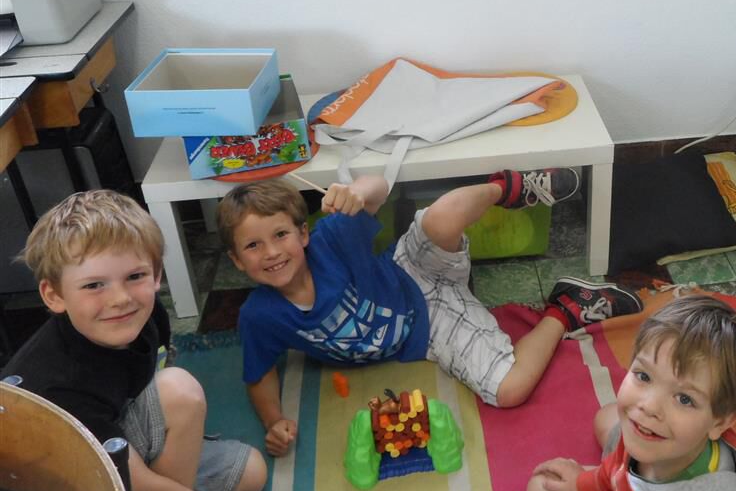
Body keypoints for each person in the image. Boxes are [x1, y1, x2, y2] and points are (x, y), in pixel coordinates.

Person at [218, 169, 642, 458]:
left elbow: (379, 186)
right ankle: (567, 308)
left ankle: (509, 187)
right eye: (253, 246)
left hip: (409, 268)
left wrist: (357, 192)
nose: (271, 252)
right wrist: (274, 421)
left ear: (303, 233)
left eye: (280, 235)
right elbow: (259, 373)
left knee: (442, 218)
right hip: (431, 330)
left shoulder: (330, 239)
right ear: (236, 260)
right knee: (510, 390)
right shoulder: (260, 316)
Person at [1, 190, 285, 491]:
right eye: (94, 285)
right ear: (54, 295)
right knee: (179, 391)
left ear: (156, 275)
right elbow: (145, 490)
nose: (120, 299)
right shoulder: (57, 383)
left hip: (118, 447)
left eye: (135, 277)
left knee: (251, 472)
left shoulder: (147, 315)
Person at [527, 294, 736, 491]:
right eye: (644, 376)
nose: (648, 406)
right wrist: (582, 484)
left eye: (684, 399)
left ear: (720, 422)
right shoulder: (645, 430)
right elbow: (616, 466)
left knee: (540, 488)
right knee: (607, 418)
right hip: (651, 473)